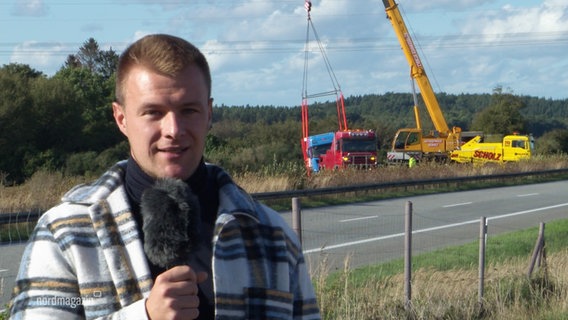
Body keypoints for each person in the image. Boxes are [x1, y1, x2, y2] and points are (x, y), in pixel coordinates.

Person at [10, 34, 321, 320]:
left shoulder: (271, 235)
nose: (173, 130)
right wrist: (143, 315)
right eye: (153, 112)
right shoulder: (66, 233)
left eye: (189, 110)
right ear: (121, 118)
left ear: (209, 114)